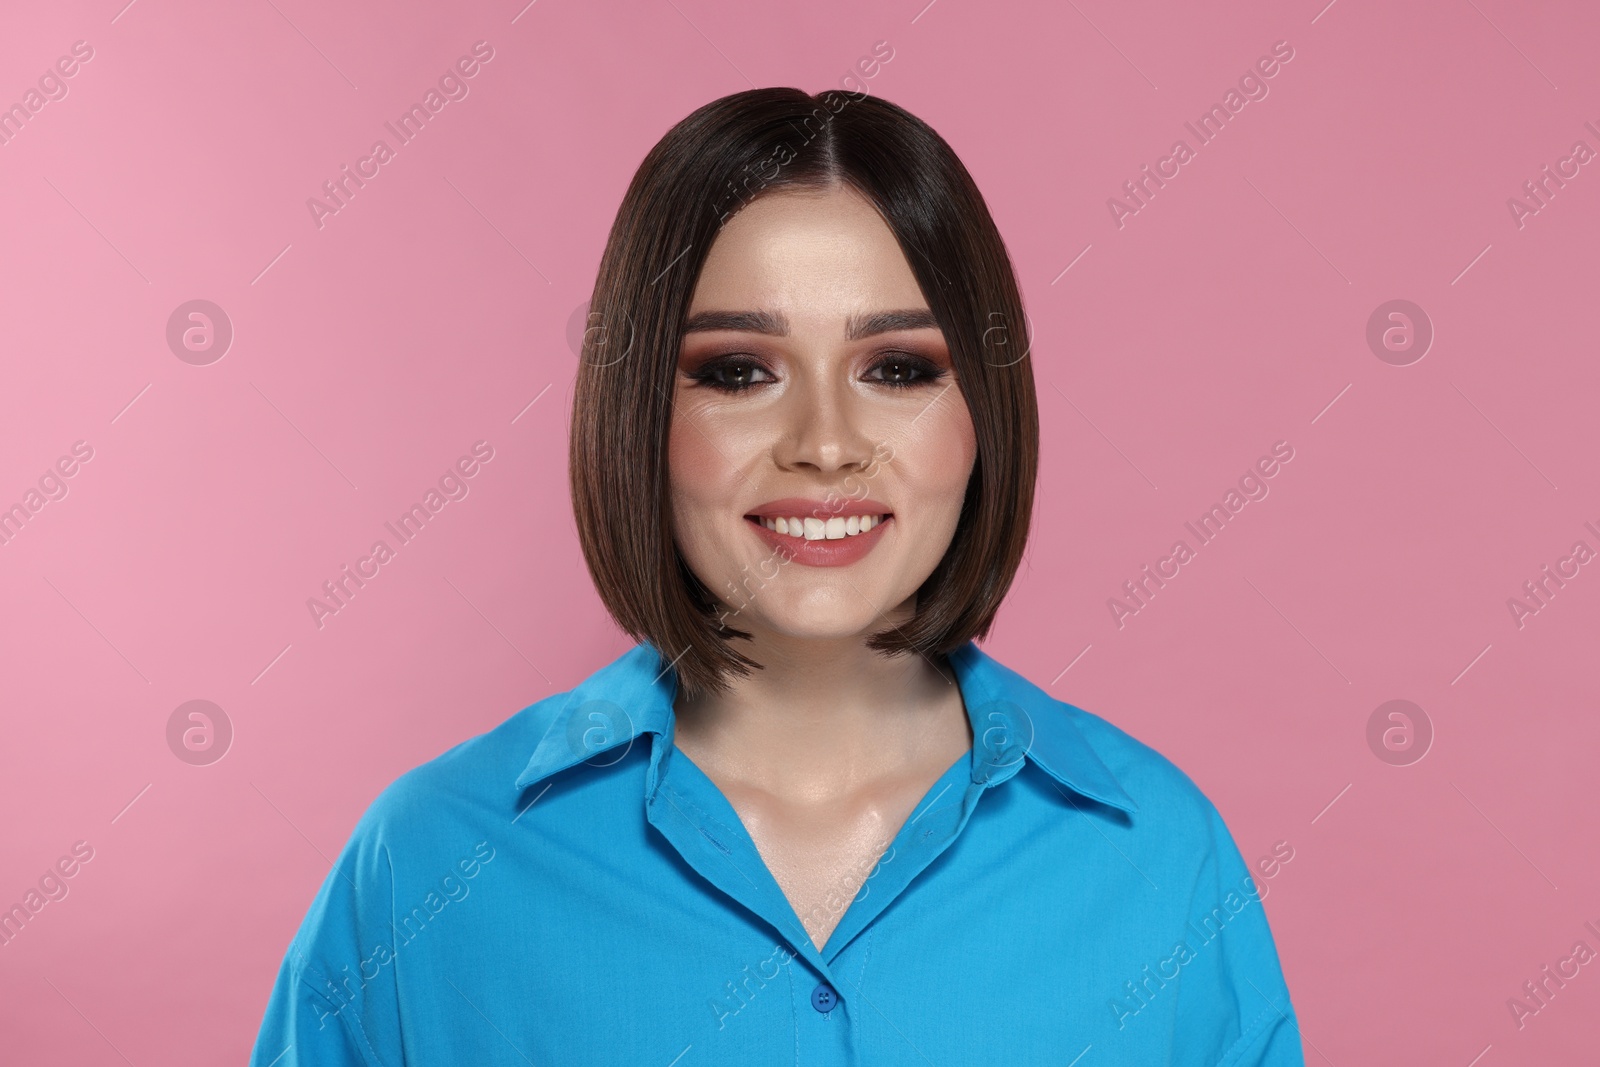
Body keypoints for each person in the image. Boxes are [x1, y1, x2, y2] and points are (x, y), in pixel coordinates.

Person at [250, 86, 1304, 1066]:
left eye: (896, 368)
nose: (825, 442)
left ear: (981, 412)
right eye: (738, 372)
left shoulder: (1162, 860)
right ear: (642, 418)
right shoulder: (427, 867)